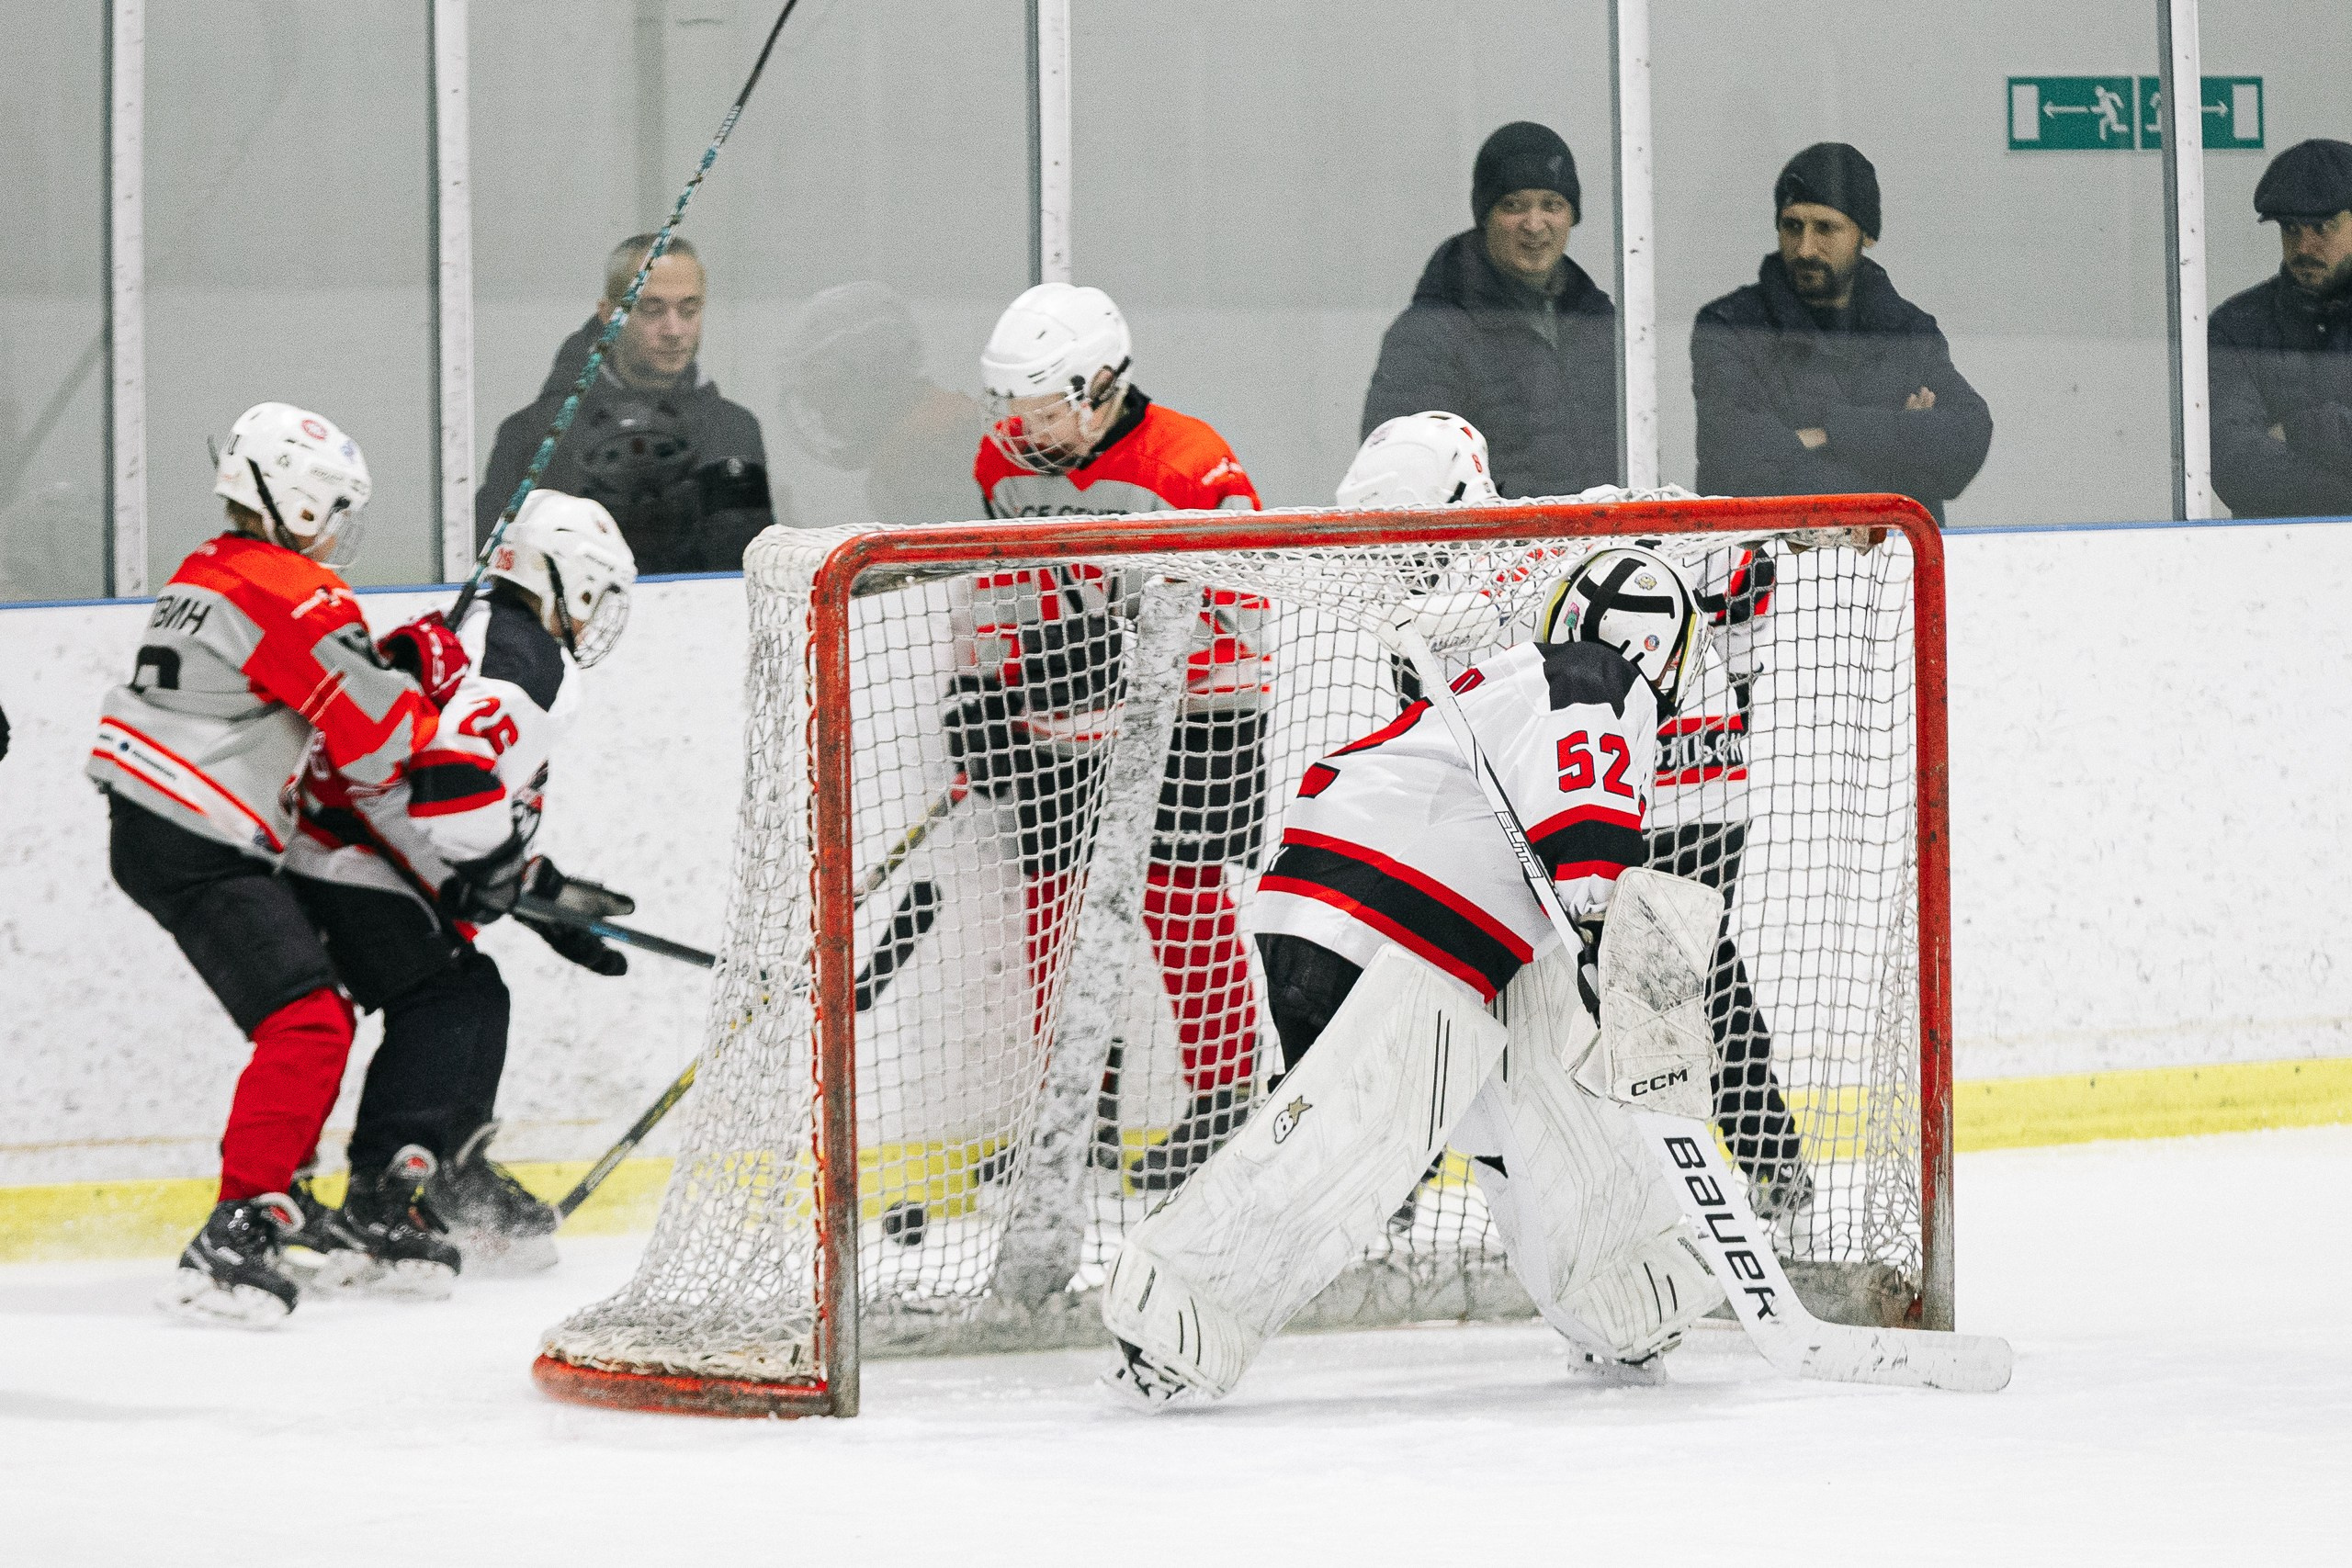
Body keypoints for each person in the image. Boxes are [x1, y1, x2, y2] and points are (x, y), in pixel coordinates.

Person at [1100, 544, 1727, 1405]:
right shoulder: (1600, 680)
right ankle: (1175, 1313)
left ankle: (1627, 1295)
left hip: (1360, 902)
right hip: (1393, 914)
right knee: (1361, 1130)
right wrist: (1605, 925)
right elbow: (1589, 840)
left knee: (1539, 1080)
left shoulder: (1509, 680)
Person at [1334, 412, 1813, 1225]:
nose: (1396, 559)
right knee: (1469, 980)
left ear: (1456, 501)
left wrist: (1791, 542)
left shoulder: (1561, 534)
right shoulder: (1441, 607)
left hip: (1679, 802)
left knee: (1664, 988)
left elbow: (1735, 561)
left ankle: (1749, 1179)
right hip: (1585, 815)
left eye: (1406, 537)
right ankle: (1406, 1178)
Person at [86, 402, 483, 1325]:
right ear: (300, 503)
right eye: (335, 504)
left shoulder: (209, 568)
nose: (340, 525)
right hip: (195, 835)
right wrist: (435, 693)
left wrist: (377, 671)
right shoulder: (293, 590)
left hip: (160, 827)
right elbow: (380, 742)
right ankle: (235, 1231)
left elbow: (307, 688)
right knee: (309, 1023)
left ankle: (283, 1190)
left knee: (314, 1004)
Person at [947, 281, 1265, 1192]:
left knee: (1179, 900)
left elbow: (1242, 612)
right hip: (1061, 718)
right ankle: (1071, 1118)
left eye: (1039, 407)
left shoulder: (1192, 465)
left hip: (1195, 719)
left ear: (1097, 386)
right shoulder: (1002, 462)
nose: (1019, 428)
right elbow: (994, 585)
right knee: (1053, 914)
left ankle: (1224, 1101)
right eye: (1009, 406)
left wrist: (1130, 646)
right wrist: (978, 692)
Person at [280, 490, 639, 1278]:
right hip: (352, 857)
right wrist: (498, 872)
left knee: (473, 993)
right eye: (598, 595)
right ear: (571, 583)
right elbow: (451, 776)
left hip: (341, 841)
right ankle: (387, 1194)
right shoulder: (526, 658)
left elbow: (439, 782)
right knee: (452, 997)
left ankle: (446, 1170)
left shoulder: (480, 629)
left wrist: (534, 888)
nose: (597, 617)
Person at [1691, 142, 1991, 525]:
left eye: (1826, 228)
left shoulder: (1909, 329)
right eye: (1792, 226)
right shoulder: (1731, 325)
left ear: (1866, 235)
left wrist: (1827, 432)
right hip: (1768, 569)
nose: (1805, 248)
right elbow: (1737, 470)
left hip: (1896, 569)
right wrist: (1901, 445)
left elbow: (1965, 443)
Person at [477, 233, 783, 572]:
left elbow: (750, 569)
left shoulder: (734, 429)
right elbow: (494, 569)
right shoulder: (537, 435)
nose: (674, 329)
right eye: (652, 309)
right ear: (609, 315)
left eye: (689, 309)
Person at [1361, 121, 1620, 500]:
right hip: (1493, 556)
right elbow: (1404, 487)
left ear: (1572, 215)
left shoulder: (1602, 324)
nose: (1534, 225)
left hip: (1605, 552)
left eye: (1552, 204)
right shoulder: (1429, 332)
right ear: (1485, 216)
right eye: (1513, 206)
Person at [2210, 138, 2352, 519]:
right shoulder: (2236, 328)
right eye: (2291, 228)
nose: (2303, 246)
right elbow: (2233, 463)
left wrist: (2299, 430)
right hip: (2275, 563)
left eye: (2322, 226)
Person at [781, 281, 988, 525]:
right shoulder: (951, 420)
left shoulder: (918, 455)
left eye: (826, 399)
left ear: (868, 376)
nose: (824, 418)